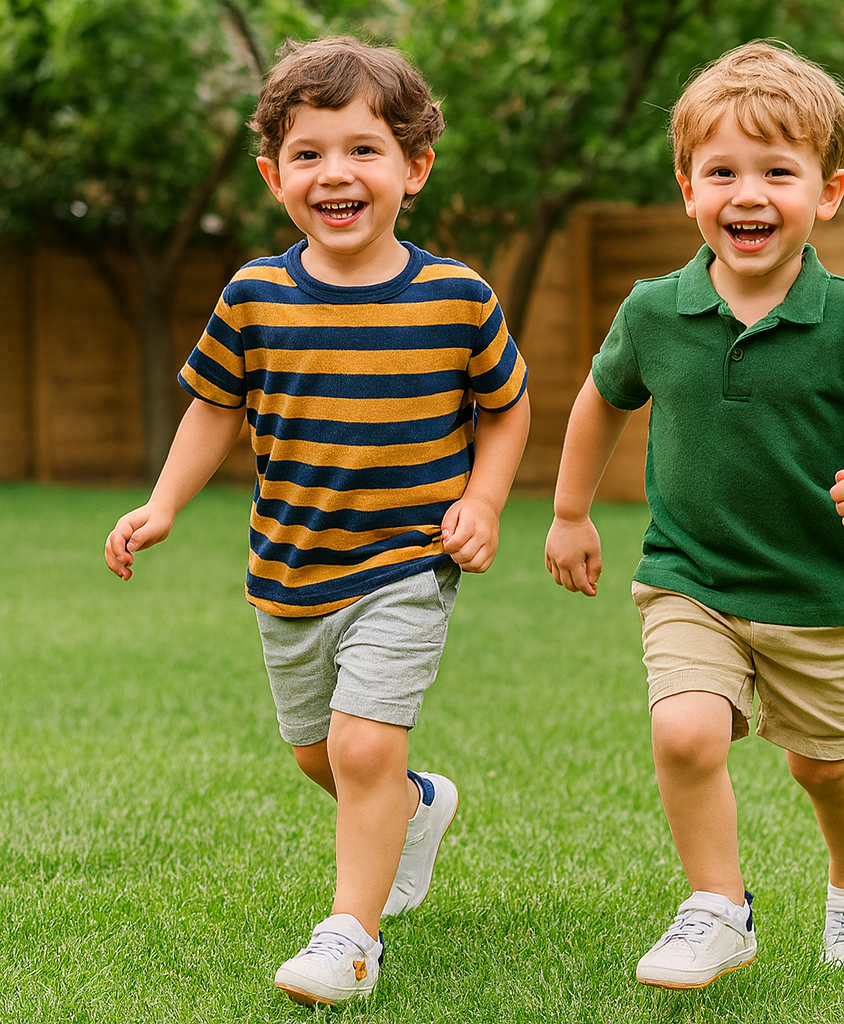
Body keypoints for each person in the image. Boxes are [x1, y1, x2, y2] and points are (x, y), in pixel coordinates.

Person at [105, 35, 530, 1006]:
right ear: (274, 177)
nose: (335, 172)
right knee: (317, 753)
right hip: (290, 567)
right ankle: (415, 808)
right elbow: (214, 408)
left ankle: (350, 937)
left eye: (362, 149)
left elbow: (508, 407)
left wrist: (482, 500)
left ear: (414, 168)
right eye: (308, 154)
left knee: (363, 745)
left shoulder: (455, 297)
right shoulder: (254, 296)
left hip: (406, 561)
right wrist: (162, 504)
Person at [544, 39, 844, 990]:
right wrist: (569, 513)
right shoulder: (655, 310)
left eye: (778, 172)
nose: (748, 195)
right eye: (722, 172)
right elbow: (601, 399)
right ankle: (717, 908)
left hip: (821, 592)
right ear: (687, 188)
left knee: (826, 769)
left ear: (829, 192)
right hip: (691, 575)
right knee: (685, 732)